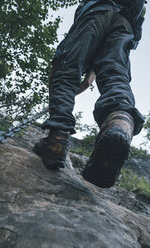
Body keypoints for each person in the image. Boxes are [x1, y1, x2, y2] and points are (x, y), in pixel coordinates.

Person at [33, 0, 146, 188]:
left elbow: (66, 68)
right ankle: (120, 122)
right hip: (126, 22)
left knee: (67, 70)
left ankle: (56, 141)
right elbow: (136, 30)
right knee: (115, 76)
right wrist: (91, 74)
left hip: (97, 10)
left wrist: (58, 77)